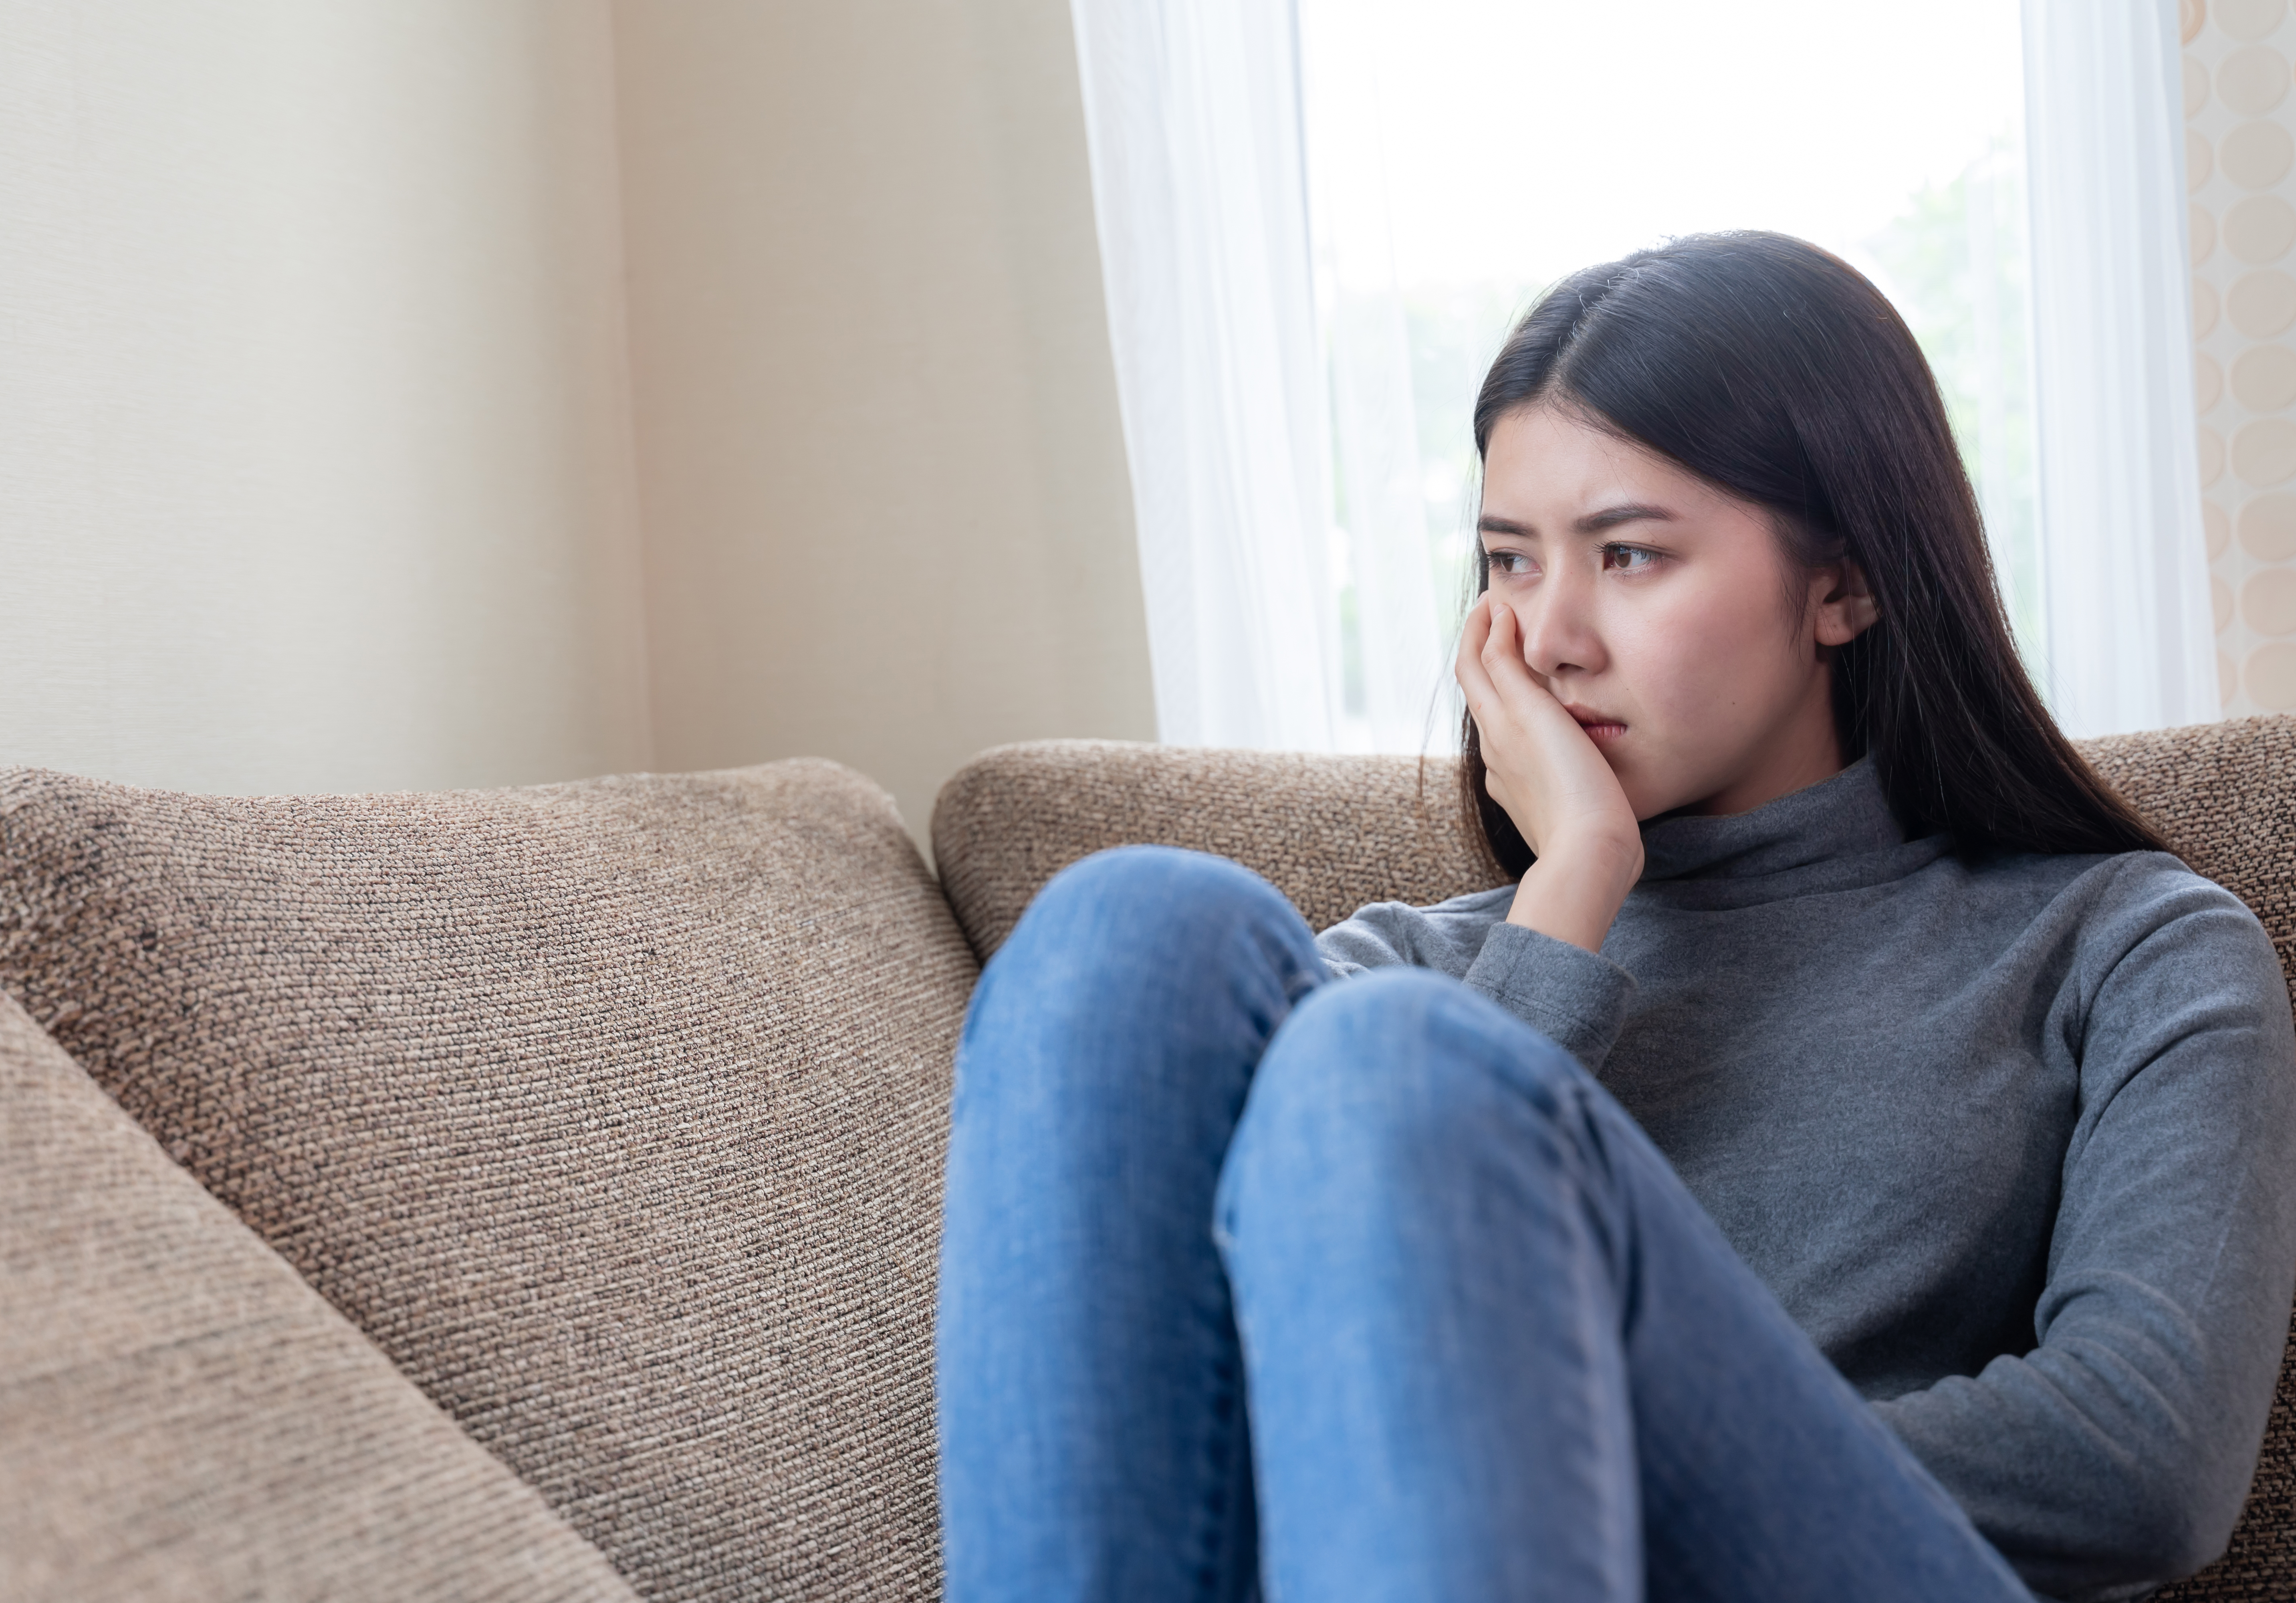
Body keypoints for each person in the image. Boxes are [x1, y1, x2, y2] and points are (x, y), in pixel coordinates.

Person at [933, 232, 2296, 1602]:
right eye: (1510, 563)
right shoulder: (1426, 965)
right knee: (1129, 924)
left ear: (1846, 584)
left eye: (1630, 555)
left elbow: (2141, 1461)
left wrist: (1538, 1441)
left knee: (1396, 1063)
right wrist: (1571, 890)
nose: (1549, 636)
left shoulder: (2128, 947)